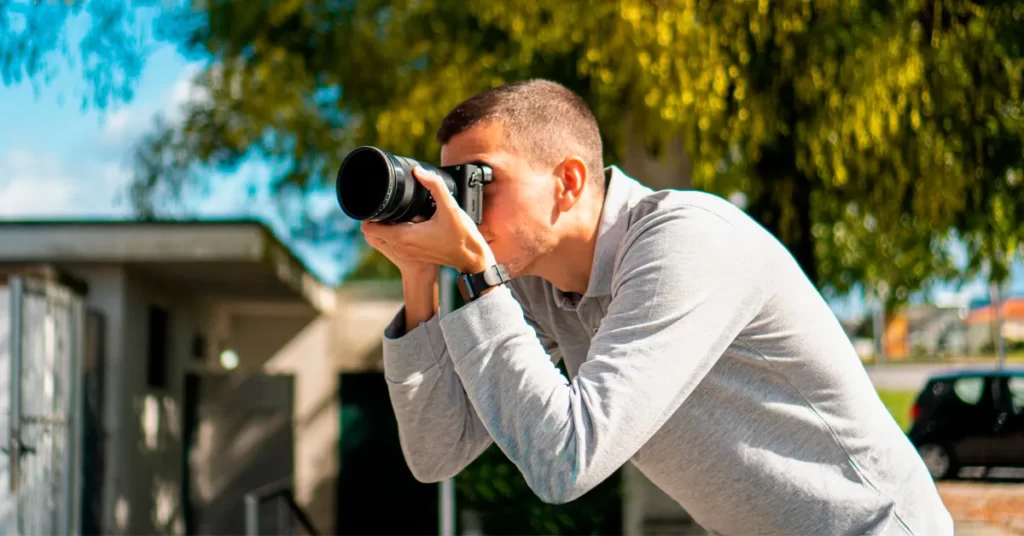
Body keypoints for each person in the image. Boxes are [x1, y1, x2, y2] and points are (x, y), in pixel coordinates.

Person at [360, 79, 953, 534]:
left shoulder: (685, 241)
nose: (463, 208)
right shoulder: (538, 287)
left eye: (480, 181)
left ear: (568, 182)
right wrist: (418, 277)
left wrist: (476, 272)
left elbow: (566, 461)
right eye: (451, 184)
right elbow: (437, 452)